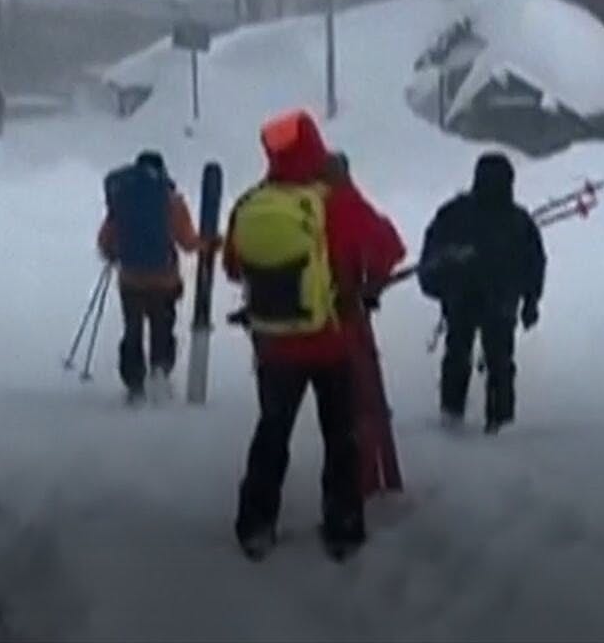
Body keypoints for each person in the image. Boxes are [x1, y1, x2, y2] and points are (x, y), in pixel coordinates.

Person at [223, 111, 397, 562]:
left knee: (272, 430)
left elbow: (232, 266)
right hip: (333, 339)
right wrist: (365, 280)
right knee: (341, 435)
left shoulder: (251, 202)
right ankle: (342, 527)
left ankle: (256, 525)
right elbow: (389, 247)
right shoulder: (337, 201)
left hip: (274, 345)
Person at [418, 152, 546, 435]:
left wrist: (437, 285)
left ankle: (456, 416)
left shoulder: (456, 213)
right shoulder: (517, 220)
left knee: (465, 357)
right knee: (496, 362)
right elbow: (534, 264)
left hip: (470, 299)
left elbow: (431, 254)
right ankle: (497, 422)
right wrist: (531, 302)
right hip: (492, 301)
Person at [324, 151, 407, 498]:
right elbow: (392, 247)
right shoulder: (352, 206)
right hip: (348, 318)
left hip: (292, 323)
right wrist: (373, 281)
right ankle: (371, 480)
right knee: (363, 403)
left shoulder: (298, 205)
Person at [97, 150, 204, 402]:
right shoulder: (171, 201)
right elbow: (187, 242)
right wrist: (208, 244)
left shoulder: (123, 199)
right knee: (162, 327)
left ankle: (134, 383)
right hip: (164, 279)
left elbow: (105, 240)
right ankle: (160, 373)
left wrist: (114, 252)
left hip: (131, 279)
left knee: (132, 330)